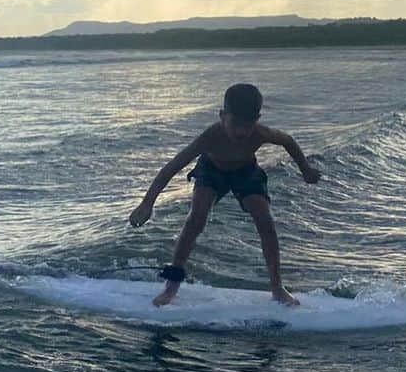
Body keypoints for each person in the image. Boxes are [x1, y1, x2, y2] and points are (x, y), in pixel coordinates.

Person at [129, 82, 321, 307]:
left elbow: (288, 141)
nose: (241, 132)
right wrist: (147, 203)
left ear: (257, 119)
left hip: (245, 171)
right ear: (222, 116)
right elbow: (173, 166)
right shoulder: (210, 137)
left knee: (265, 220)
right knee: (196, 219)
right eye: (235, 124)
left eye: (248, 125)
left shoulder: (261, 133)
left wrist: (305, 170)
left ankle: (277, 288)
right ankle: (171, 286)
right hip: (212, 171)